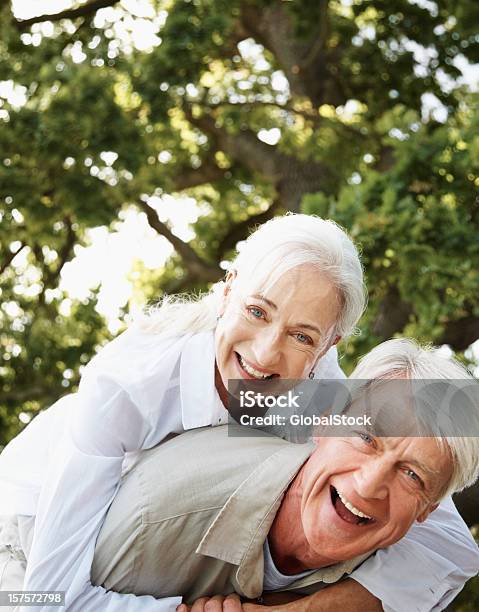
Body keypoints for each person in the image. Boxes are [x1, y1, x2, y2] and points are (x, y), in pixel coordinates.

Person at [0, 214, 477, 612]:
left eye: (302, 335)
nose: (267, 354)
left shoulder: (322, 397)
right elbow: (53, 597)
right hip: (26, 538)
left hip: (158, 560)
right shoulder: (131, 384)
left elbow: (448, 545)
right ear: (227, 292)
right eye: (257, 311)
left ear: (329, 347)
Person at [87, 341, 479, 612]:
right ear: (323, 423)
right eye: (365, 437)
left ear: (430, 508)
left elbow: (460, 551)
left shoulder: (404, 551)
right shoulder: (156, 511)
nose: (368, 484)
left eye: (412, 475)